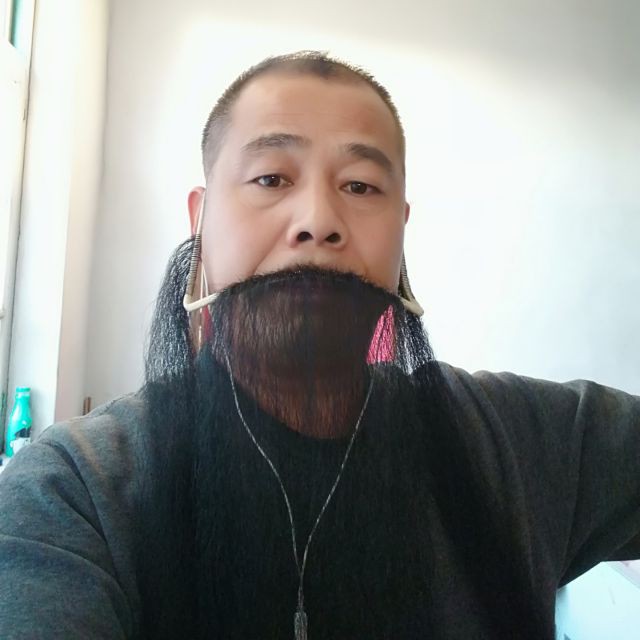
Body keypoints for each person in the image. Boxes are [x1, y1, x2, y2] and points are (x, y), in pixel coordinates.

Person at [0, 50, 638, 640]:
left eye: (360, 186)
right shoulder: (73, 493)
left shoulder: (522, 444)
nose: (319, 221)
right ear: (200, 220)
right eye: (271, 178)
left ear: (401, 232)